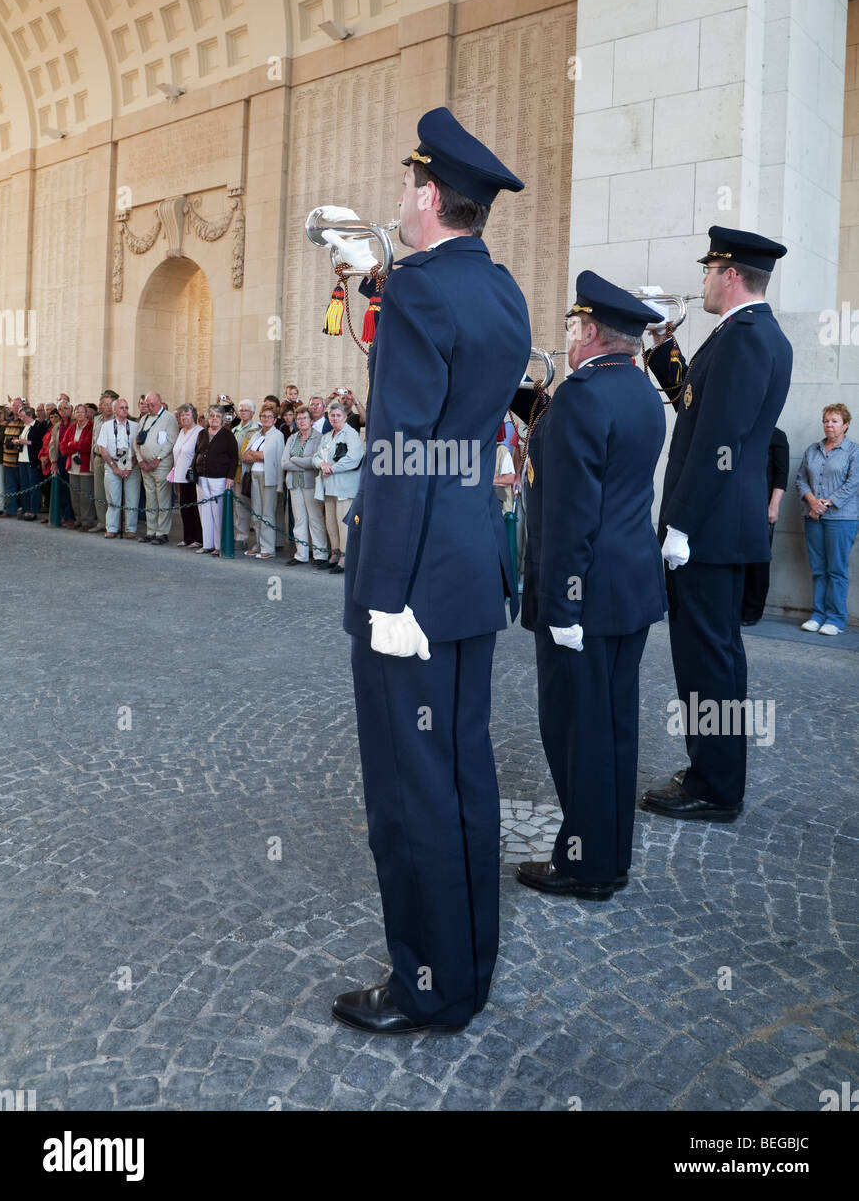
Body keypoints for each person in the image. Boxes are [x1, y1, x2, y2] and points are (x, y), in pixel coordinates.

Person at [330, 106, 530, 1035]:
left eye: (408, 186)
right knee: (462, 775)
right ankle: (468, 969)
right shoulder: (504, 292)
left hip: (413, 578)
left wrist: (388, 593)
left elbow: (402, 445)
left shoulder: (417, 291)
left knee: (410, 791)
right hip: (467, 566)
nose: (400, 199)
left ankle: (425, 986)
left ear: (428, 196)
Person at [516, 273, 668, 900]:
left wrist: (564, 602)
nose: (568, 341)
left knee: (577, 733)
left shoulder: (582, 396)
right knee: (613, 728)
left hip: (585, 595)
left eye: (573, 329)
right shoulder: (638, 389)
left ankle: (585, 865)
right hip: (628, 586)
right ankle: (609, 854)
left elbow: (574, 510)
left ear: (588, 333)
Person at [640, 226, 793, 822]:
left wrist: (681, 524)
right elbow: (696, 407)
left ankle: (715, 784)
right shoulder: (747, 334)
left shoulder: (746, 338)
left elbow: (717, 441)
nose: (702, 280)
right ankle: (715, 770)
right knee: (717, 658)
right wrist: (661, 348)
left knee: (708, 661)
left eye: (709, 270)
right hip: (723, 527)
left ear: (730, 275)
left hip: (710, 529)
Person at [796, 403, 858, 635]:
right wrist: (812, 502)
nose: (829, 425)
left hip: (842, 519)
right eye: (826, 421)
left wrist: (826, 503)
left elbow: (853, 483)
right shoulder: (812, 450)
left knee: (837, 569)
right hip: (813, 516)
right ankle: (817, 614)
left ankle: (836, 618)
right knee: (818, 568)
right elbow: (801, 479)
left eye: (834, 421)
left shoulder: (854, 451)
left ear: (846, 425)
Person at [742, 426, 790, 626]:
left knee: (758, 561)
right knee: (738, 560)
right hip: (739, 507)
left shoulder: (777, 435)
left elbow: (781, 475)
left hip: (763, 507)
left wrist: (773, 506)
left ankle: (752, 612)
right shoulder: (743, 431)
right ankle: (735, 608)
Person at [312, 402, 364, 573]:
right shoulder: (327, 436)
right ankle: (334, 553)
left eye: (338, 416)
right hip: (328, 486)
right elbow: (316, 457)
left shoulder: (351, 434)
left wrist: (332, 468)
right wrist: (323, 465)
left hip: (344, 487)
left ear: (345, 417)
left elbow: (354, 458)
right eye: (332, 416)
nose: (334, 419)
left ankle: (345, 556)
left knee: (344, 524)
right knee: (331, 523)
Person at [281, 405, 329, 566]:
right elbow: (284, 463)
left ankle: (320, 555)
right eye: (299, 418)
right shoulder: (292, 438)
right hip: (294, 484)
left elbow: (314, 463)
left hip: (311, 483)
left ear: (311, 420)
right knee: (299, 520)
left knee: (316, 519)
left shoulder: (319, 438)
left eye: (305, 418)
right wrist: (302, 461)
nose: (302, 421)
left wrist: (295, 459)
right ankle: (300, 554)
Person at [134, 391, 178, 544]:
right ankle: (150, 531)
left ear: (160, 402)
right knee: (150, 499)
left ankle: (162, 532)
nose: (149, 408)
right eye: (147, 405)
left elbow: (171, 441)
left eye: (152, 405)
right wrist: (141, 461)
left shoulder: (169, 418)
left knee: (163, 498)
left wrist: (157, 460)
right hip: (145, 466)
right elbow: (136, 441)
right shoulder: (144, 418)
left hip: (161, 465)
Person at [193, 406, 238, 555]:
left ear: (222, 419)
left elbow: (234, 458)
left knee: (217, 513)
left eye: (217, 416)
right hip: (202, 477)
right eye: (211, 415)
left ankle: (219, 546)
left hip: (219, 478)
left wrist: (230, 477)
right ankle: (207, 544)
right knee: (204, 511)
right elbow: (197, 452)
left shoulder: (227, 435)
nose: (214, 418)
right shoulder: (202, 433)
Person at [242, 403, 284, 558]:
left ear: (274, 419)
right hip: (254, 475)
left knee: (267, 513)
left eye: (269, 416)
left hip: (269, 477)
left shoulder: (277, 435)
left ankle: (268, 548)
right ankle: (258, 544)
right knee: (256, 512)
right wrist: (258, 455)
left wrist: (258, 454)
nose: (266, 419)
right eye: (263, 416)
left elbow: (272, 457)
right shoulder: (256, 434)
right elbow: (245, 455)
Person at [97, 398, 141, 538]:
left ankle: (130, 529)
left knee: (132, 498)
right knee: (113, 498)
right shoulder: (107, 426)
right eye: (121, 407)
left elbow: (139, 449)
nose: (124, 410)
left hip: (130, 461)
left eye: (126, 407)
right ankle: (112, 528)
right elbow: (102, 448)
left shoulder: (135, 426)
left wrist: (130, 466)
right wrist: (114, 468)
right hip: (113, 462)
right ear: (115, 410)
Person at [170, 404, 203, 548]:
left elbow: (200, 452)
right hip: (180, 475)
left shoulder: (200, 431)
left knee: (194, 508)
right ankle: (187, 537)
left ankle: (198, 538)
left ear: (193, 415)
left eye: (187, 414)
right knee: (184, 507)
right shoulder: (181, 431)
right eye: (182, 415)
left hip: (192, 476)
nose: (184, 417)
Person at [59, 404, 94, 529]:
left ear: (86, 413)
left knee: (85, 496)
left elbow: (87, 445)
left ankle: (87, 521)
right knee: (75, 497)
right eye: (77, 412)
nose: (79, 414)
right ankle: (78, 520)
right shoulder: (72, 427)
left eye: (82, 412)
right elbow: (63, 447)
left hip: (85, 467)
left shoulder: (91, 427)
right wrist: (73, 445)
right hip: (72, 467)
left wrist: (72, 444)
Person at [232, 400, 259, 553]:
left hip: (248, 472)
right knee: (239, 507)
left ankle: (257, 540)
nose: (243, 413)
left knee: (251, 506)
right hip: (235, 471)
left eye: (246, 410)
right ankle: (240, 537)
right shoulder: (235, 429)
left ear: (253, 413)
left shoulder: (256, 429)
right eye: (241, 410)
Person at [88, 394, 116, 533]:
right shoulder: (97, 420)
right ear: (100, 406)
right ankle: (101, 523)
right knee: (99, 493)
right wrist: (91, 462)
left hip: (112, 459)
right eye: (105, 404)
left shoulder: (117, 420)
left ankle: (113, 524)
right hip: (98, 458)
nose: (108, 407)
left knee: (112, 493)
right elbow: (94, 441)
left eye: (111, 404)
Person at [16, 406, 47, 520]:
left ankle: (33, 510)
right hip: (22, 459)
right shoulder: (24, 426)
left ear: (29, 415)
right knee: (24, 485)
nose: (21, 418)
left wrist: (28, 442)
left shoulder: (38, 426)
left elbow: (41, 443)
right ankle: (26, 509)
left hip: (32, 459)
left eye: (23, 416)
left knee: (33, 486)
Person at [2, 401, 24, 517]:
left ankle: (20, 509)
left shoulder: (22, 423)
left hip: (17, 459)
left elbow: (20, 440)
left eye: (18, 406)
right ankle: (10, 510)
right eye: (14, 405)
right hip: (6, 459)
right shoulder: (8, 421)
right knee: (9, 486)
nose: (15, 408)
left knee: (20, 486)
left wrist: (12, 442)